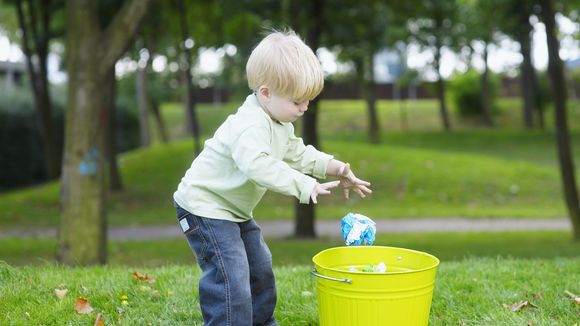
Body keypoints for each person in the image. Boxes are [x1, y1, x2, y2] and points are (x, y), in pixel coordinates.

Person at [173, 29, 372, 326]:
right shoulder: (250, 125)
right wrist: (305, 185)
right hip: (204, 207)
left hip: (233, 210)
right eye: (297, 101)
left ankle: (262, 322)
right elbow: (259, 166)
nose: (304, 108)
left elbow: (298, 152)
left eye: (308, 101)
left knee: (260, 268)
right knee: (231, 275)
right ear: (265, 92)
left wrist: (338, 168)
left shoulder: (278, 122)